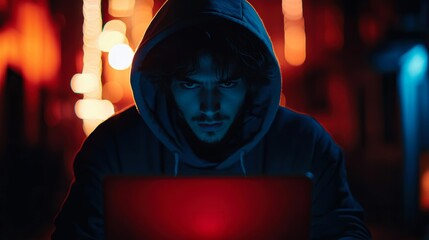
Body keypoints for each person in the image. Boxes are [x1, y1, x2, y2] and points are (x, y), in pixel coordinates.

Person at [53, 0, 372, 239]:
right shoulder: (114, 149)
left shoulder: (304, 144)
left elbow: (346, 230)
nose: (209, 106)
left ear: (252, 83)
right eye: (190, 84)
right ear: (166, 84)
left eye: (227, 83)